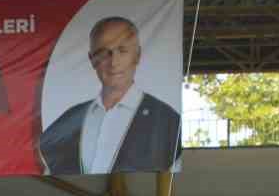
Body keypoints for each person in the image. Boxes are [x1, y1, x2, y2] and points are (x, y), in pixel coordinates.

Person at [38, 15, 182, 175]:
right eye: (103, 53)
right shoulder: (68, 121)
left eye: (122, 50)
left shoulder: (169, 123)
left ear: (137, 55)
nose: (113, 62)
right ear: (92, 59)